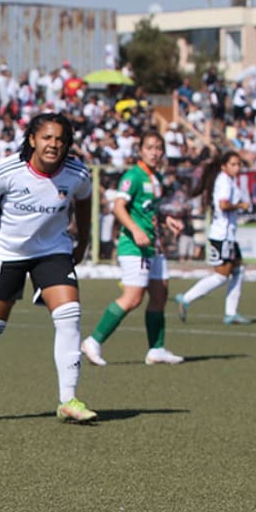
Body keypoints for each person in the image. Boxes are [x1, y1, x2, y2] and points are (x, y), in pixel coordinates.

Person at [0, 112, 95, 425]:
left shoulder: (77, 174)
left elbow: (84, 203)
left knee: (69, 316)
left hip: (53, 252)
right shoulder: (8, 168)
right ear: (32, 139)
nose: (53, 145)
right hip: (6, 253)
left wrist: (82, 241)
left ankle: (68, 400)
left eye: (60, 139)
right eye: (47, 137)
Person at [82, 130, 185, 366]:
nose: (155, 152)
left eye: (159, 148)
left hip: (153, 245)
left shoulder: (155, 177)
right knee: (132, 298)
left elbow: (150, 210)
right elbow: (118, 207)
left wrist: (168, 219)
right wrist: (136, 230)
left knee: (160, 293)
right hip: (134, 246)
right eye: (150, 147)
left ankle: (156, 349)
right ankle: (93, 341)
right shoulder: (134, 176)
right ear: (140, 151)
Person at [175, 150, 251, 324]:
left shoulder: (230, 180)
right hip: (221, 234)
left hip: (229, 234)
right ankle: (186, 298)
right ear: (224, 166)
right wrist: (241, 205)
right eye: (233, 164)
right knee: (222, 275)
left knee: (239, 270)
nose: (237, 167)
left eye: (239, 164)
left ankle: (231, 313)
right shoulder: (224, 181)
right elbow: (223, 205)